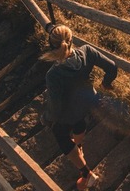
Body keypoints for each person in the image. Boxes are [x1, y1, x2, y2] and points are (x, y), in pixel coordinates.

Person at [43, 24, 118, 191]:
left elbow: (55, 107)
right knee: (79, 120)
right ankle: (79, 146)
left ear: (51, 46)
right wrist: (106, 83)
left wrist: (47, 119)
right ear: (71, 40)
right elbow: (112, 66)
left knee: (60, 134)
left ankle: (86, 175)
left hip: (68, 112)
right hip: (87, 102)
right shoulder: (87, 52)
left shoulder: (53, 74)